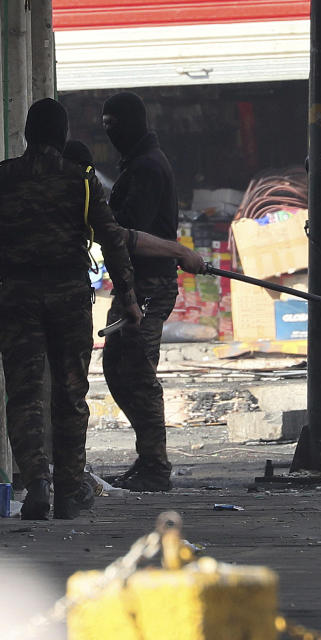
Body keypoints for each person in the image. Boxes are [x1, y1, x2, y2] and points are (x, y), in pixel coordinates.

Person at [0, 101, 203, 520]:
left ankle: (37, 482)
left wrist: (8, 267)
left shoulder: (1, 178)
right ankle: (67, 491)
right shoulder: (79, 180)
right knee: (70, 393)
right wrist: (130, 298)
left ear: (27, 135)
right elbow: (113, 240)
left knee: (25, 393)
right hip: (68, 298)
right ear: (63, 137)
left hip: (19, 296)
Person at [101, 92, 181, 492]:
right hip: (133, 283)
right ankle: (147, 457)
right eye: (105, 125)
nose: (110, 132)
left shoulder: (147, 168)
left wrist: (101, 217)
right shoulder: (137, 164)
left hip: (150, 283)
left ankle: (156, 465)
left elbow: (130, 232)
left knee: (137, 370)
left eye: (114, 123)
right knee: (116, 367)